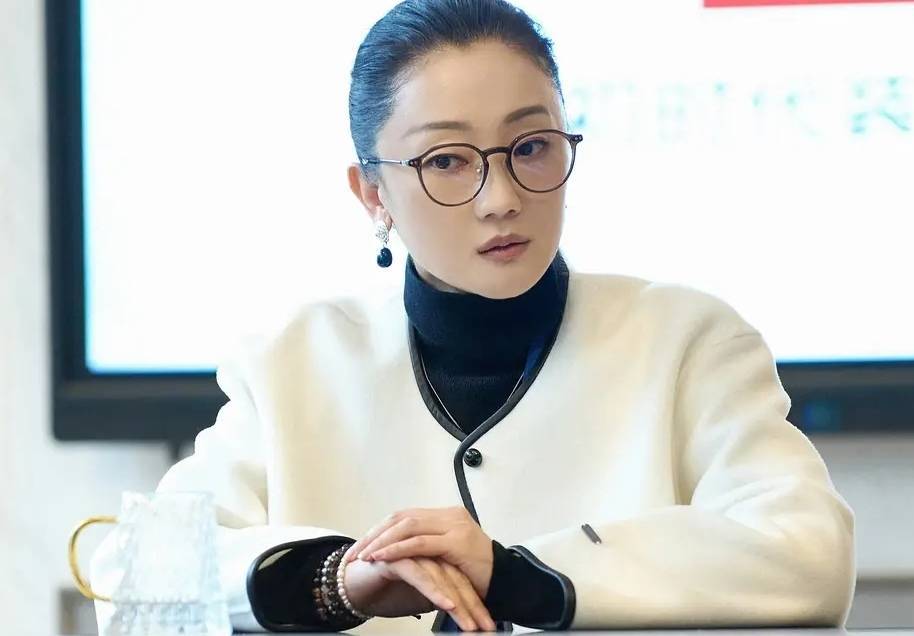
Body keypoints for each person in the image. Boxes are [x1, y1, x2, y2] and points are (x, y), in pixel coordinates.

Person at [91, 0, 855, 633]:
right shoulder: (292, 361)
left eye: (531, 147)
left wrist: (517, 576)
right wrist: (338, 580)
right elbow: (133, 581)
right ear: (372, 194)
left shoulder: (687, 341)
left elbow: (807, 553)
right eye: (447, 161)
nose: (502, 198)